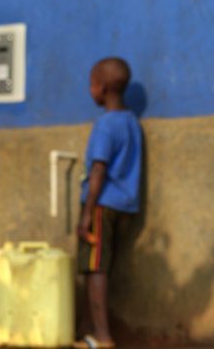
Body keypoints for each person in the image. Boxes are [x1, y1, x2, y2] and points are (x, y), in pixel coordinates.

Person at [75, 57, 143, 349]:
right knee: (100, 267)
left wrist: (86, 214)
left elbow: (98, 171)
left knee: (95, 269)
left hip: (101, 205)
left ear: (101, 88)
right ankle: (87, 332)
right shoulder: (131, 122)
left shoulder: (105, 125)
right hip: (125, 206)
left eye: (91, 82)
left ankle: (102, 337)